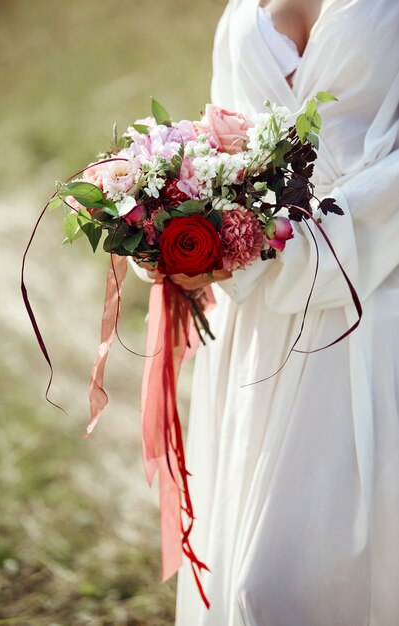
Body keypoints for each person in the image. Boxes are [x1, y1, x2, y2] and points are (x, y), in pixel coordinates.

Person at [139, 0, 399, 623]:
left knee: (289, 581)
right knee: (249, 582)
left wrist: (308, 244)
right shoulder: (239, 10)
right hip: (255, 320)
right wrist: (176, 223)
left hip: (373, 290)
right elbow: (220, 139)